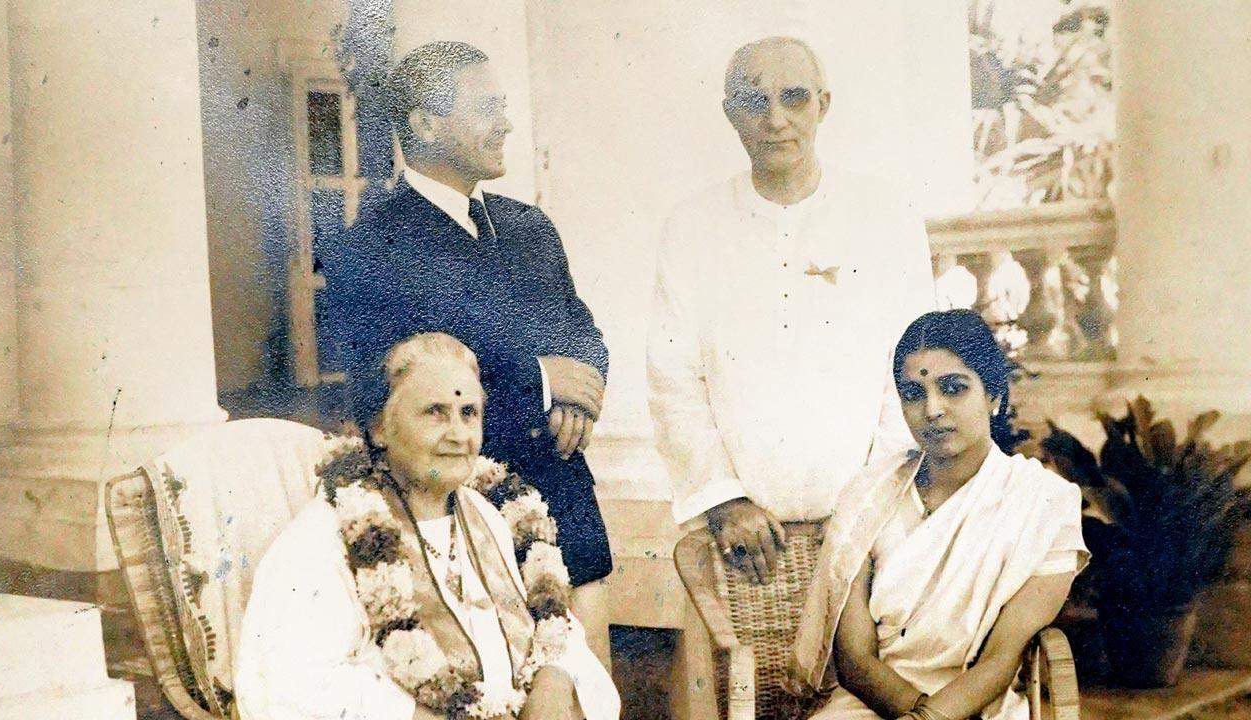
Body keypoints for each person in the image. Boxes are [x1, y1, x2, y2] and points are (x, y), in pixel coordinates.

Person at [316, 41, 613, 662]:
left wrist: (576, 400)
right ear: (423, 123)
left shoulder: (529, 226)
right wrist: (540, 384)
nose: (506, 122)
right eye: (486, 108)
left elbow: (581, 332)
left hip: (568, 511)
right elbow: (391, 399)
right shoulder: (370, 248)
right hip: (461, 527)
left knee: (589, 687)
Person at [647, 36, 934, 583]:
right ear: (731, 114)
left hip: (880, 525)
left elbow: (917, 369)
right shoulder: (691, 229)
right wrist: (725, 501)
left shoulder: (886, 216)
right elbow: (673, 381)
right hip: (745, 540)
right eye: (755, 102)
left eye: (794, 97)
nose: (776, 119)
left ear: (823, 105)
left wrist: (875, 499)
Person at [236, 333, 619, 720]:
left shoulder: (493, 515)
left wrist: (554, 682)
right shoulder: (325, 539)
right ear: (379, 427)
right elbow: (289, 687)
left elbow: (555, 627)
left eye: (468, 413)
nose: (457, 435)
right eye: (435, 412)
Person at [790, 310, 1089, 720]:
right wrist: (915, 713)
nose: (932, 409)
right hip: (870, 704)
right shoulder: (869, 495)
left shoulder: (1045, 504)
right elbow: (855, 660)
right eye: (914, 393)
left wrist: (931, 718)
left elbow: (1000, 660)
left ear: (994, 397)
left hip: (978, 706)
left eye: (953, 388)